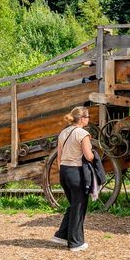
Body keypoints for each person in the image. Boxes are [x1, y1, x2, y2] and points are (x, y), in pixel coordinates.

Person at [52, 106, 95, 252]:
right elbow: (89, 156)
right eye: (88, 116)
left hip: (64, 171)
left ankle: (62, 235)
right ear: (82, 118)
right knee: (79, 206)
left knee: (74, 204)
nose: (89, 119)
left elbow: (59, 156)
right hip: (76, 172)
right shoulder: (83, 134)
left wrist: (63, 170)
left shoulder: (63, 132)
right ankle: (75, 243)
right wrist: (95, 156)